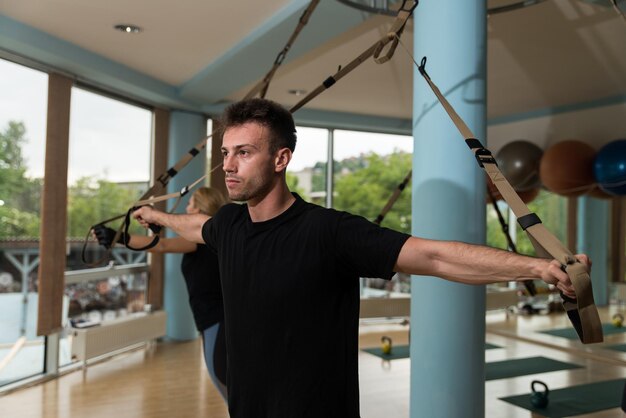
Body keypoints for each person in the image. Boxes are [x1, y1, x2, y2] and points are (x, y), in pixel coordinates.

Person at [131, 98, 587, 418]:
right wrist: (154, 215)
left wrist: (537, 267)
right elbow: (195, 227)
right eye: (227, 153)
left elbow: (433, 257)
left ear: (280, 158)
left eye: (244, 153)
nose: (228, 165)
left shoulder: (328, 232)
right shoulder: (228, 225)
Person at [94, 187, 229, 401]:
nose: (187, 207)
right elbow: (163, 240)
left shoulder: (203, 239)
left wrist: (119, 237)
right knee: (225, 382)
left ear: (202, 208)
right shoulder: (213, 237)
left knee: (223, 382)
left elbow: (162, 245)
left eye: (191, 203)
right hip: (212, 319)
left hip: (216, 319)